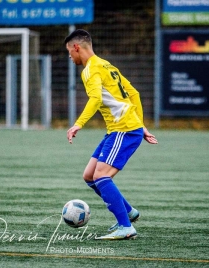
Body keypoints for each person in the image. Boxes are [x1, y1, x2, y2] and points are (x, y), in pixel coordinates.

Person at [64, 29, 158, 240]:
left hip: (123, 129)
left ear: (77, 47)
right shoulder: (106, 64)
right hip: (121, 129)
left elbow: (95, 98)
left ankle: (126, 227)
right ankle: (129, 213)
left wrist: (78, 124)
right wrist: (141, 125)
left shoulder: (89, 70)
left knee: (101, 176)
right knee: (90, 176)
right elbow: (134, 93)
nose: (70, 57)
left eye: (70, 52)